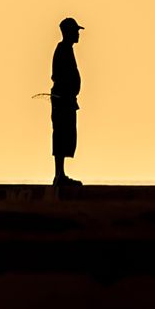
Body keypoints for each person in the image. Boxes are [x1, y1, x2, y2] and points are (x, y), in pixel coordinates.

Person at [50, 18, 84, 187]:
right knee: (61, 135)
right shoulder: (62, 50)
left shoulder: (66, 50)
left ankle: (60, 174)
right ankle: (59, 175)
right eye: (75, 31)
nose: (78, 34)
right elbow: (59, 76)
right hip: (62, 101)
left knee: (67, 136)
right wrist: (65, 94)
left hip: (67, 100)